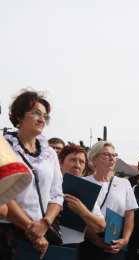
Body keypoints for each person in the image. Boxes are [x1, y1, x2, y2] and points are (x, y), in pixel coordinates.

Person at [3, 90, 64, 258]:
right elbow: (4, 194)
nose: (42, 119)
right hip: (10, 231)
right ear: (20, 116)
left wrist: (45, 223)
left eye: (45, 116)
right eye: (36, 113)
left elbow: (57, 194)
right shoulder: (4, 147)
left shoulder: (49, 153)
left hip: (44, 231)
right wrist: (30, 228)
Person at [81, 141, 138, 260]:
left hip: (116, 244)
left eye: (114, 155)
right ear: (94, 158)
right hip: (89, 245)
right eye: (106, 155)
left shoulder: (124, 183)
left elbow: (129, 215)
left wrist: (125, 240)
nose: (112, 158)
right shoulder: (84, 183)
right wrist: (97, 241)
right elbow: (81, 216)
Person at [58, 144, 106, 252]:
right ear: (61, 162)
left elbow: (101, 226)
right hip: (43, 242)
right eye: (73, 160)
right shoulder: (49, 183)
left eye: (81, 162)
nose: (77, 165)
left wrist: (83, 211)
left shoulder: (87, 189)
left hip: (72, 247)